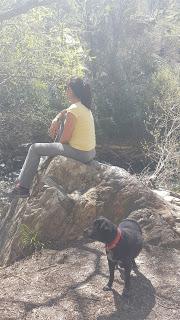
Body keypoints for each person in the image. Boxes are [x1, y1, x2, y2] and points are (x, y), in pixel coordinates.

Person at [9, 77, 96, 198]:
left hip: (80, 154)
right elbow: (65, 111)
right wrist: (57, 118)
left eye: (67, 88)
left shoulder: (74, 110)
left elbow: (64, 140)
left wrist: (53, 149)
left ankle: (23, 188)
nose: (66, 91)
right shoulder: (83, 107)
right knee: (59, 127)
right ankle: (22, 179)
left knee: (34, 148)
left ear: (72, 90)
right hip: (90, 153)